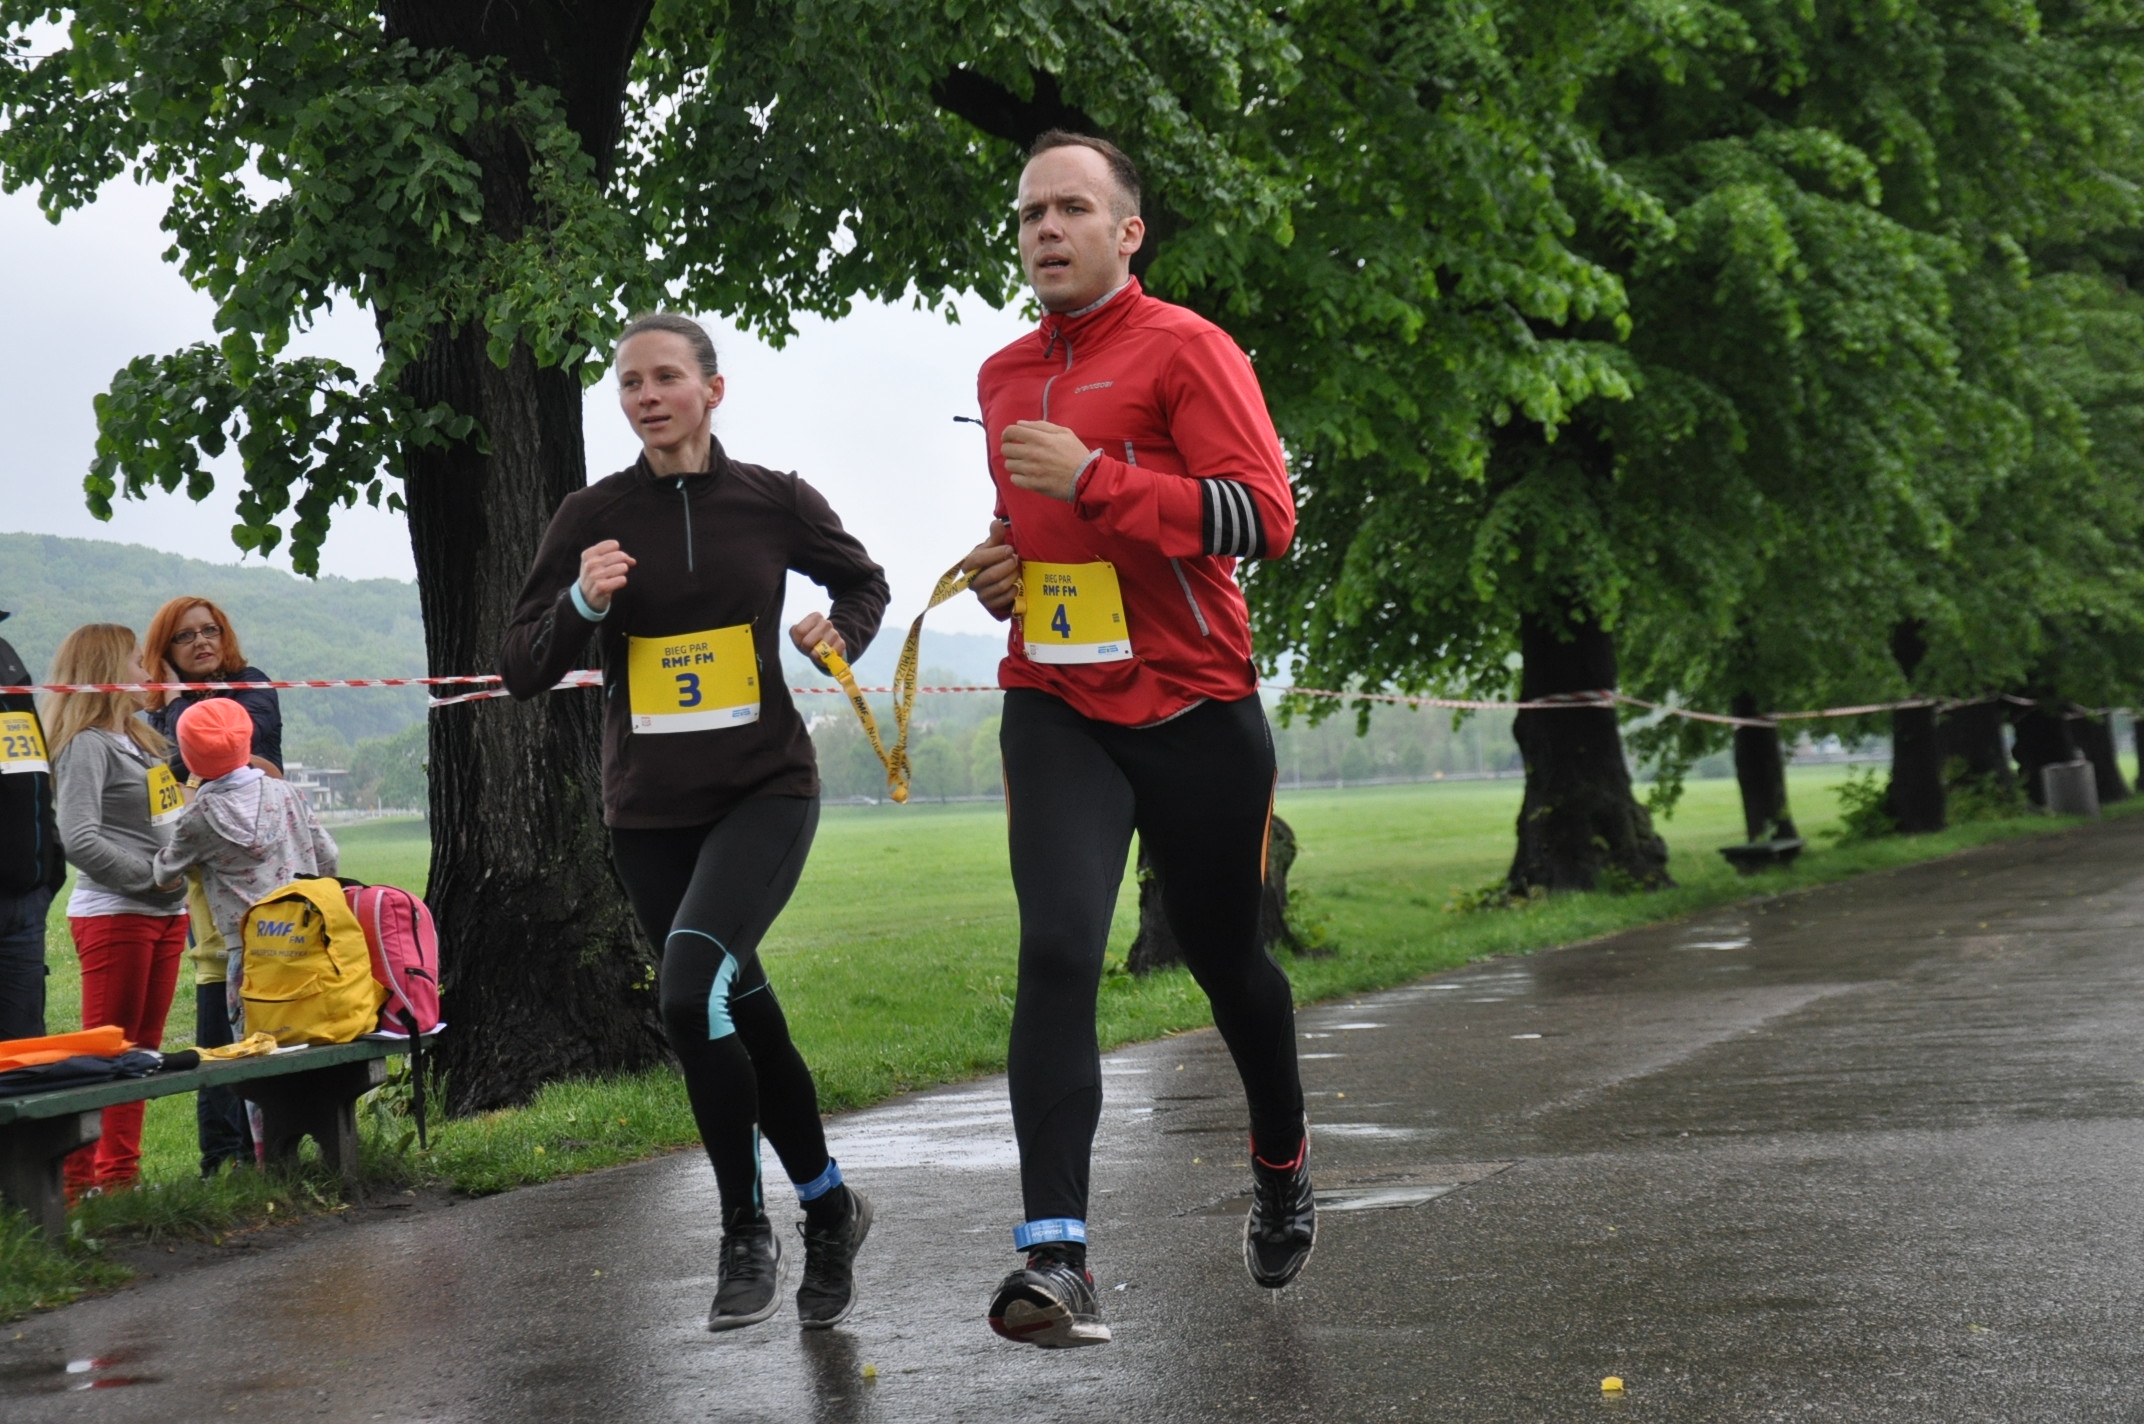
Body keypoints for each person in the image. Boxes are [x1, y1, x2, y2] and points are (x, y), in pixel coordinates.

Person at [959, 131, 1312, 1349]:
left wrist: (1097, 479)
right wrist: (1004, 567)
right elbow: (1031, 522)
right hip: (1056, 697)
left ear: (1127, 231)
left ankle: (1280, 1158)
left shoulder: (1186, 348)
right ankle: (1056, 1256)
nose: (1045, 229)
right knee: (1057, 946)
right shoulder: (1003, 373)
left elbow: (1262, 518)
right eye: (1028, 214)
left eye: (1070, 208)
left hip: (1193, 703)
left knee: (1226, 960)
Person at [501, 311, 889, 1333]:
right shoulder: (591, 515)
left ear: (712, 389)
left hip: (765, 789)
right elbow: (521, 664)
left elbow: (863, 581)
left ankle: (743, 1229)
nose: (647, 397)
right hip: (648, 814)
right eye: (630, 383)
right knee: (739, 1009)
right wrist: (583, 605)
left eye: (666, 377)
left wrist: (838, 634)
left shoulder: (772, 499)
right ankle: (830, 1206)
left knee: (686, 994)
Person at [44, 624, 188, 1196]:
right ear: (105, 670)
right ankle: (77, 1188)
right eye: (136, 660)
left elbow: (166, 821)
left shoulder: (142, 740)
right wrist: (151, 880)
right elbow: (77, 837)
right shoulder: (86, 745)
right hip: (116, 913)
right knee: (105, 1051)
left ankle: (120, 1179)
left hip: (165, 913)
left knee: (141, 1052)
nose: (147, 671)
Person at [142, 596, 282, 1177]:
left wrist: (178, 707)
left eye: (210, 630)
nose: (202, 641)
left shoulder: (251, 684)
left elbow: (236, 751)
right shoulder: (154, 710)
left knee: (264, 1022)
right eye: (185, 636)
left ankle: (262, 1152)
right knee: (215, 1019)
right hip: (203, 886)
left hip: (262, 888)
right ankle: (221, 1159)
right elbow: (168, 778)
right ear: (164, 651)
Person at [151, 698, 339, 1038]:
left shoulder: (199, 817)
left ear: (189, 759)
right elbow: (328, 856)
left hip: (249, 951)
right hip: (307, 939)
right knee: (312, 1033)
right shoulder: (288, 794)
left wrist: (182, 812)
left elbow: (165, 871)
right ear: (246, 742)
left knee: (255, 1040)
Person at [0, 609, 65, 1039]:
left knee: (24, 1051)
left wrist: (50, 863)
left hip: (26, 895)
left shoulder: (7, 658)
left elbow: (33, 775)